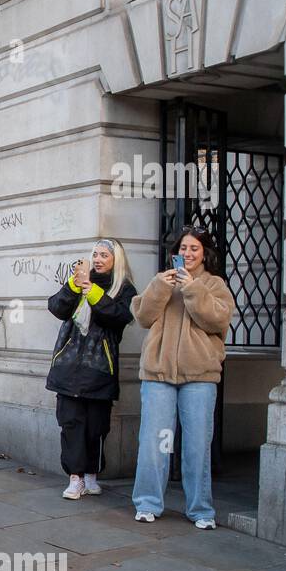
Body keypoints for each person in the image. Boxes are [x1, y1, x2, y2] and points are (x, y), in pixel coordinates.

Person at [130, 226, 235, 528]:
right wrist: (160, 288)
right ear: (175, 253)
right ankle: (147, 503)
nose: (187, 254)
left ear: (204, 254)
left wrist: (192, 289)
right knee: (153, 441)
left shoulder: (214, 284)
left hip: (200, 375)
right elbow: (143, 317)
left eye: (194, 249)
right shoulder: (161, 281)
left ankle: (200, 510)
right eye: (183, 249)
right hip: (158, 373)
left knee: (197, 444)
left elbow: (217, 320)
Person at [45, 239, 137, 499]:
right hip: (68, 366)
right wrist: (74, 285)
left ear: (115, 260)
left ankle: (91, 475)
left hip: (99, 369)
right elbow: (56, 307)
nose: (98, 259)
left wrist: (93, 292)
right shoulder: (78, 280)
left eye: (104, 255)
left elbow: (119, 317)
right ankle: (74, 478)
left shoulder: (124, 289)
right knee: (71, 423)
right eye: (95, 254)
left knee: (96, 426)